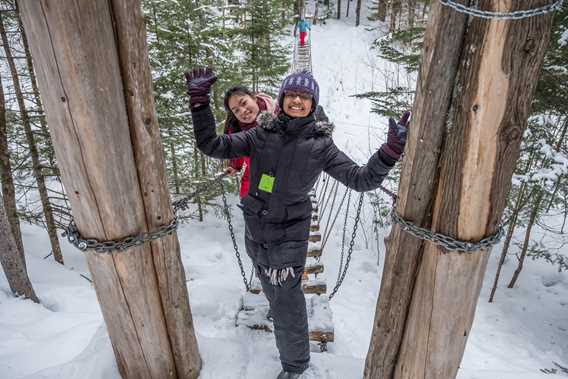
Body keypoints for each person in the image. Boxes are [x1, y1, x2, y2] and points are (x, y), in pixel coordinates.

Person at [185, 68, 409, 379]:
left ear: (313, 103)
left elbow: (362, 180)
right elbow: (211, 145)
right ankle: (286, 341)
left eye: (304, 97)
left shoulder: (321, 146)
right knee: (273, 293)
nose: (297, 101)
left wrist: (390, 152)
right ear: (281, 99)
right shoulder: (260, 133)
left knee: (287, 304)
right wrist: (199, 103)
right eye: (292, 95)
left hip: (290, 234)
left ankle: (295, 368)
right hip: (256, 232)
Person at [223, 86, 276, 198]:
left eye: (244, 103)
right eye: (236, 110)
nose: (243, 111)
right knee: (247, 199)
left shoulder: (278, 113)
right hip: (251, 169)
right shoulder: (236, 128)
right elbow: (238, 147)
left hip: (272, 172)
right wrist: (234, 166)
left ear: (254, 98)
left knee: (265, 199)